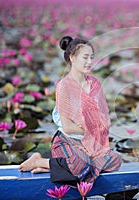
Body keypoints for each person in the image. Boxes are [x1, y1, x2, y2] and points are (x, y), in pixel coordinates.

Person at [18, 36, 122, 185]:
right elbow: (67, 127)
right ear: (72, 58)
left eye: (91, 57)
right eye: (85, 57)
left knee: (115, 160)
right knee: (82, 165)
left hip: (90, 141)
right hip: (67, 140)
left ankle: (49, 167)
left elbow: (104, 117)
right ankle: (39, 161)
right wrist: (90, 132)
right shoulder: (64, 86)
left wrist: (94, 139)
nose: (89, 62)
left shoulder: (95, 83)